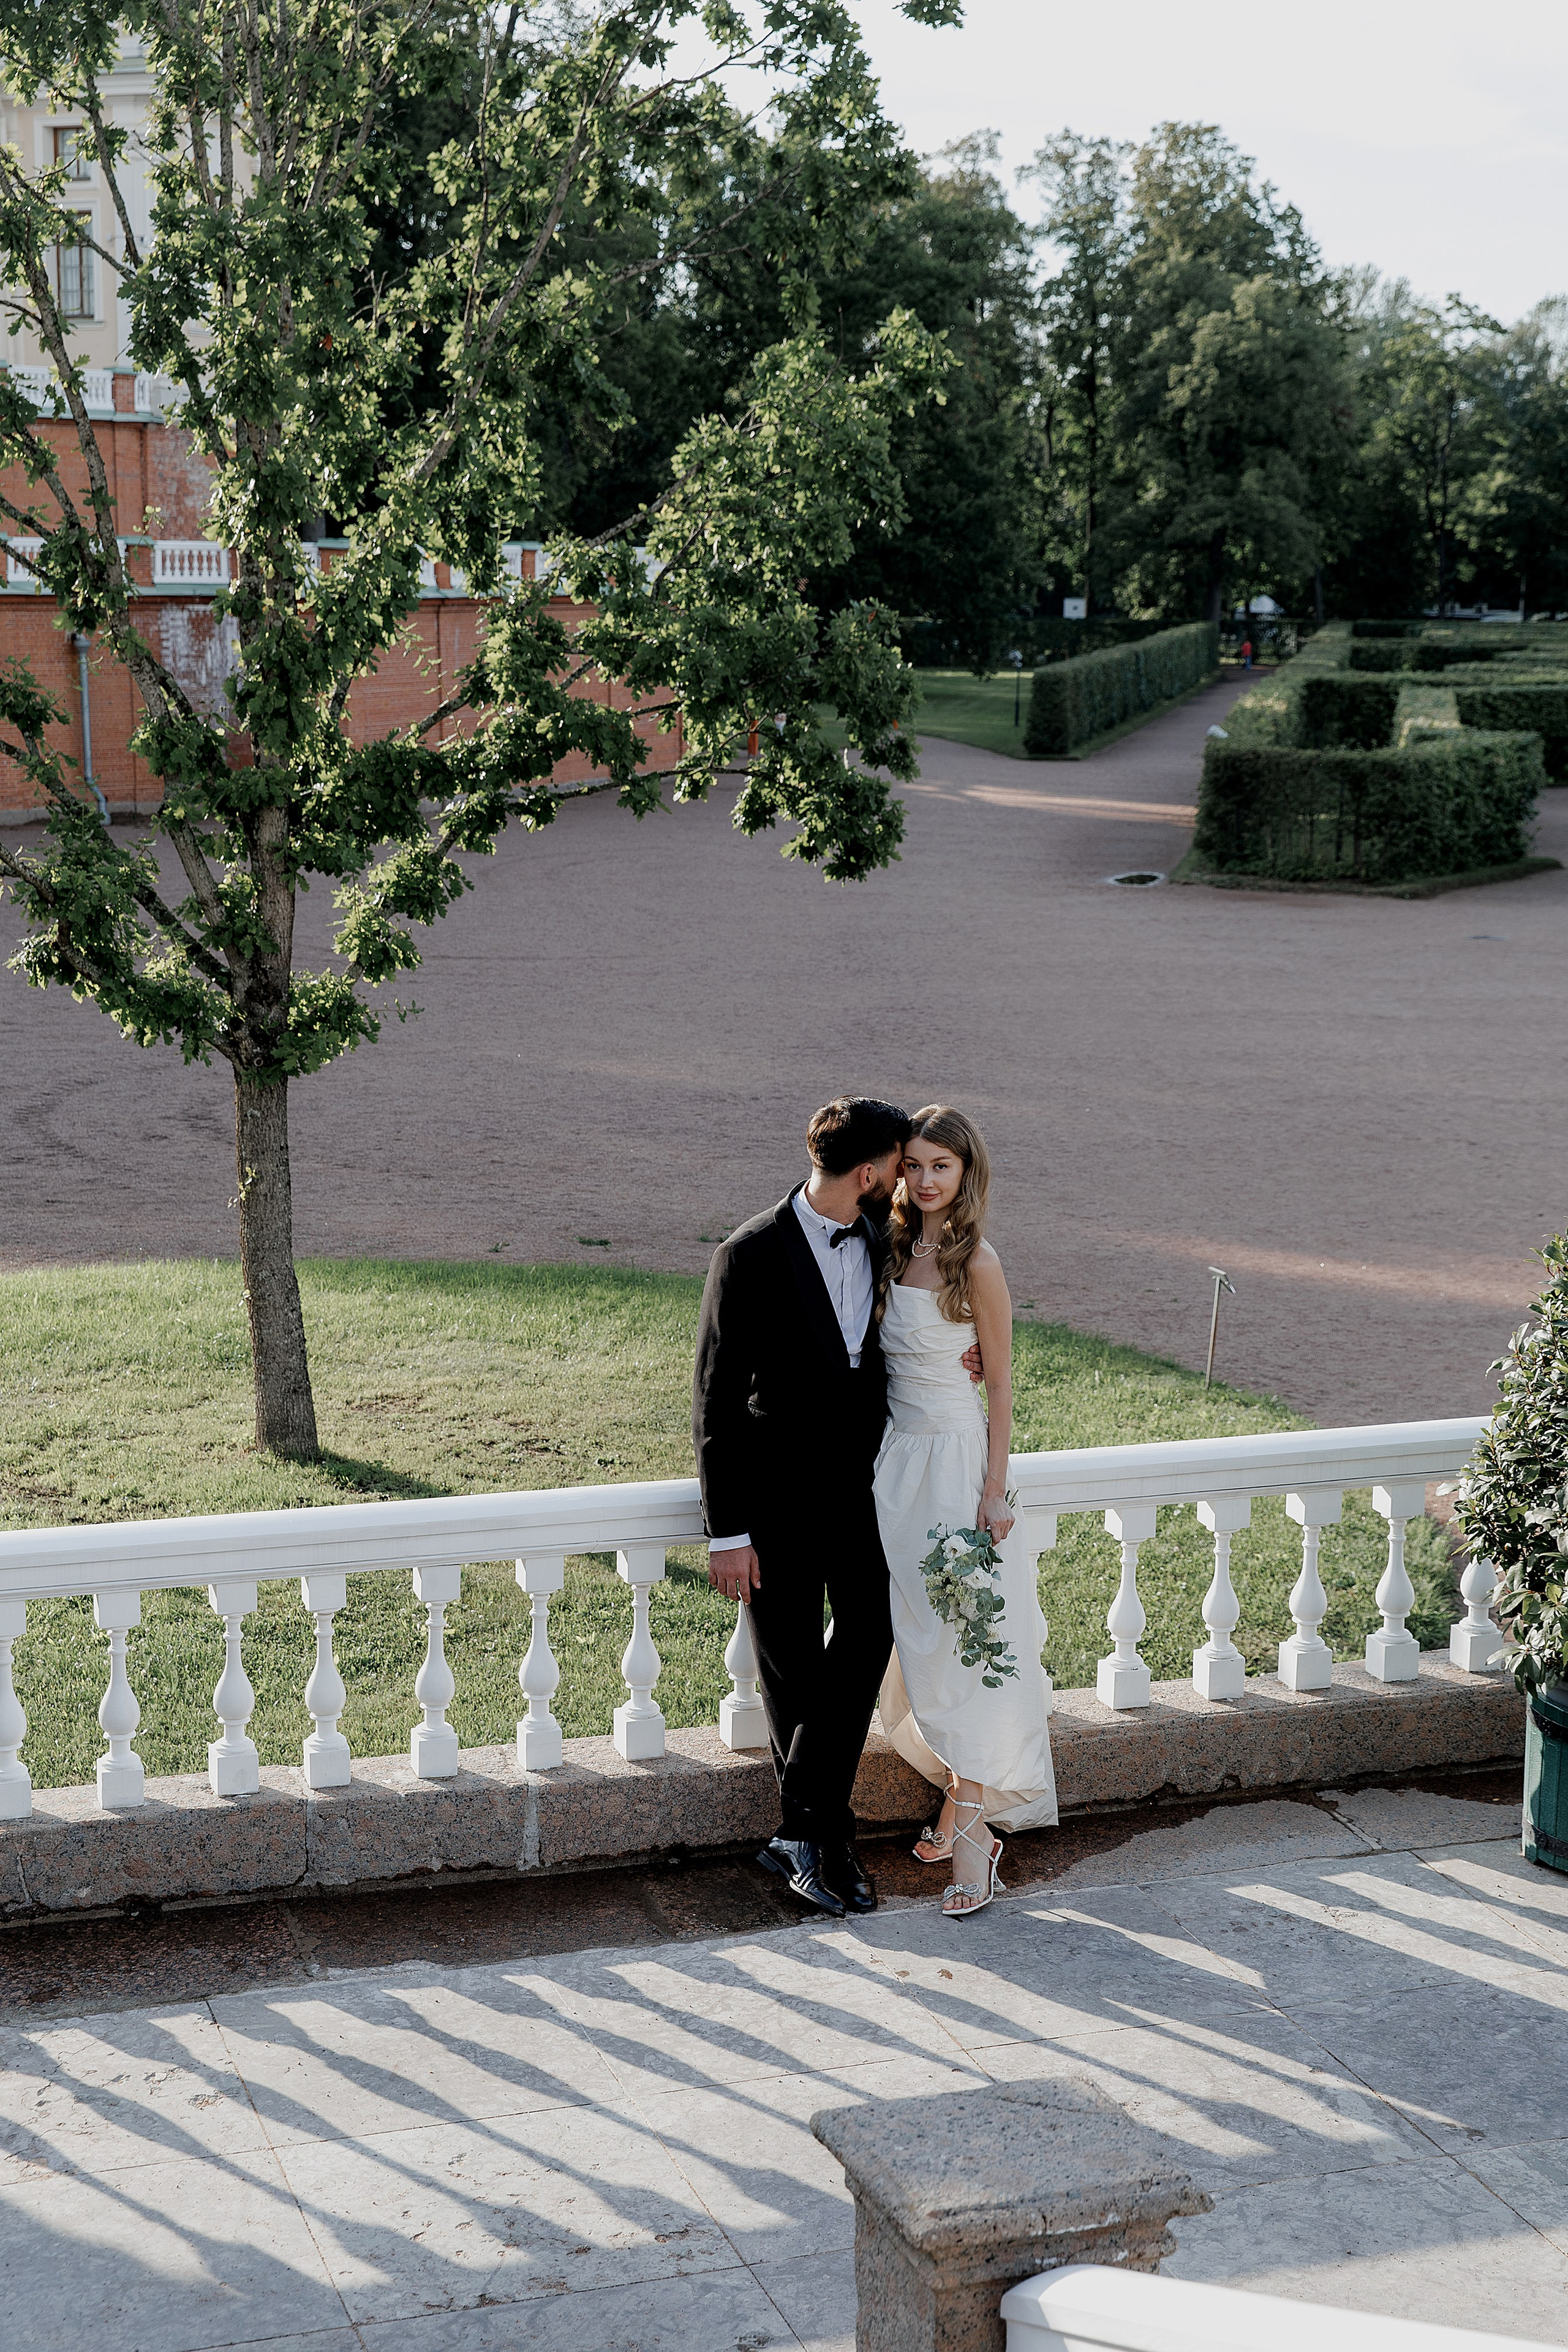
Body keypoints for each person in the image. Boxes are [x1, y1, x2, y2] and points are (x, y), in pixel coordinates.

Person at [694, 1096, 925, 1918]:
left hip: (864, 1502)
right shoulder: (747, 1254)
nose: (903, 1175)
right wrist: (727, 1531)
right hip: (775, 1511)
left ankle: (802, 1831)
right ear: (868, 1171)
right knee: (791, 1676)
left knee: (872, 1628)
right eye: (898, 1163)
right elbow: (715, 1404)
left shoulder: (881, 1238)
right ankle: (828, 1843)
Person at [872, 1105, 1057, 1919]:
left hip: (953, 1471)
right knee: (914, 1639)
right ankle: (955, 1801)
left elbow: (1005, 1385)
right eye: (912, 1164)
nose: (924, 1180)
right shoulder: (889, 1247)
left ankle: (978, 1833)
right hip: (893, 1466)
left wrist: (993, 1489)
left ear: (966, 1173)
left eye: (939, 1166)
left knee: (966, 1639)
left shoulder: (977, 1262)